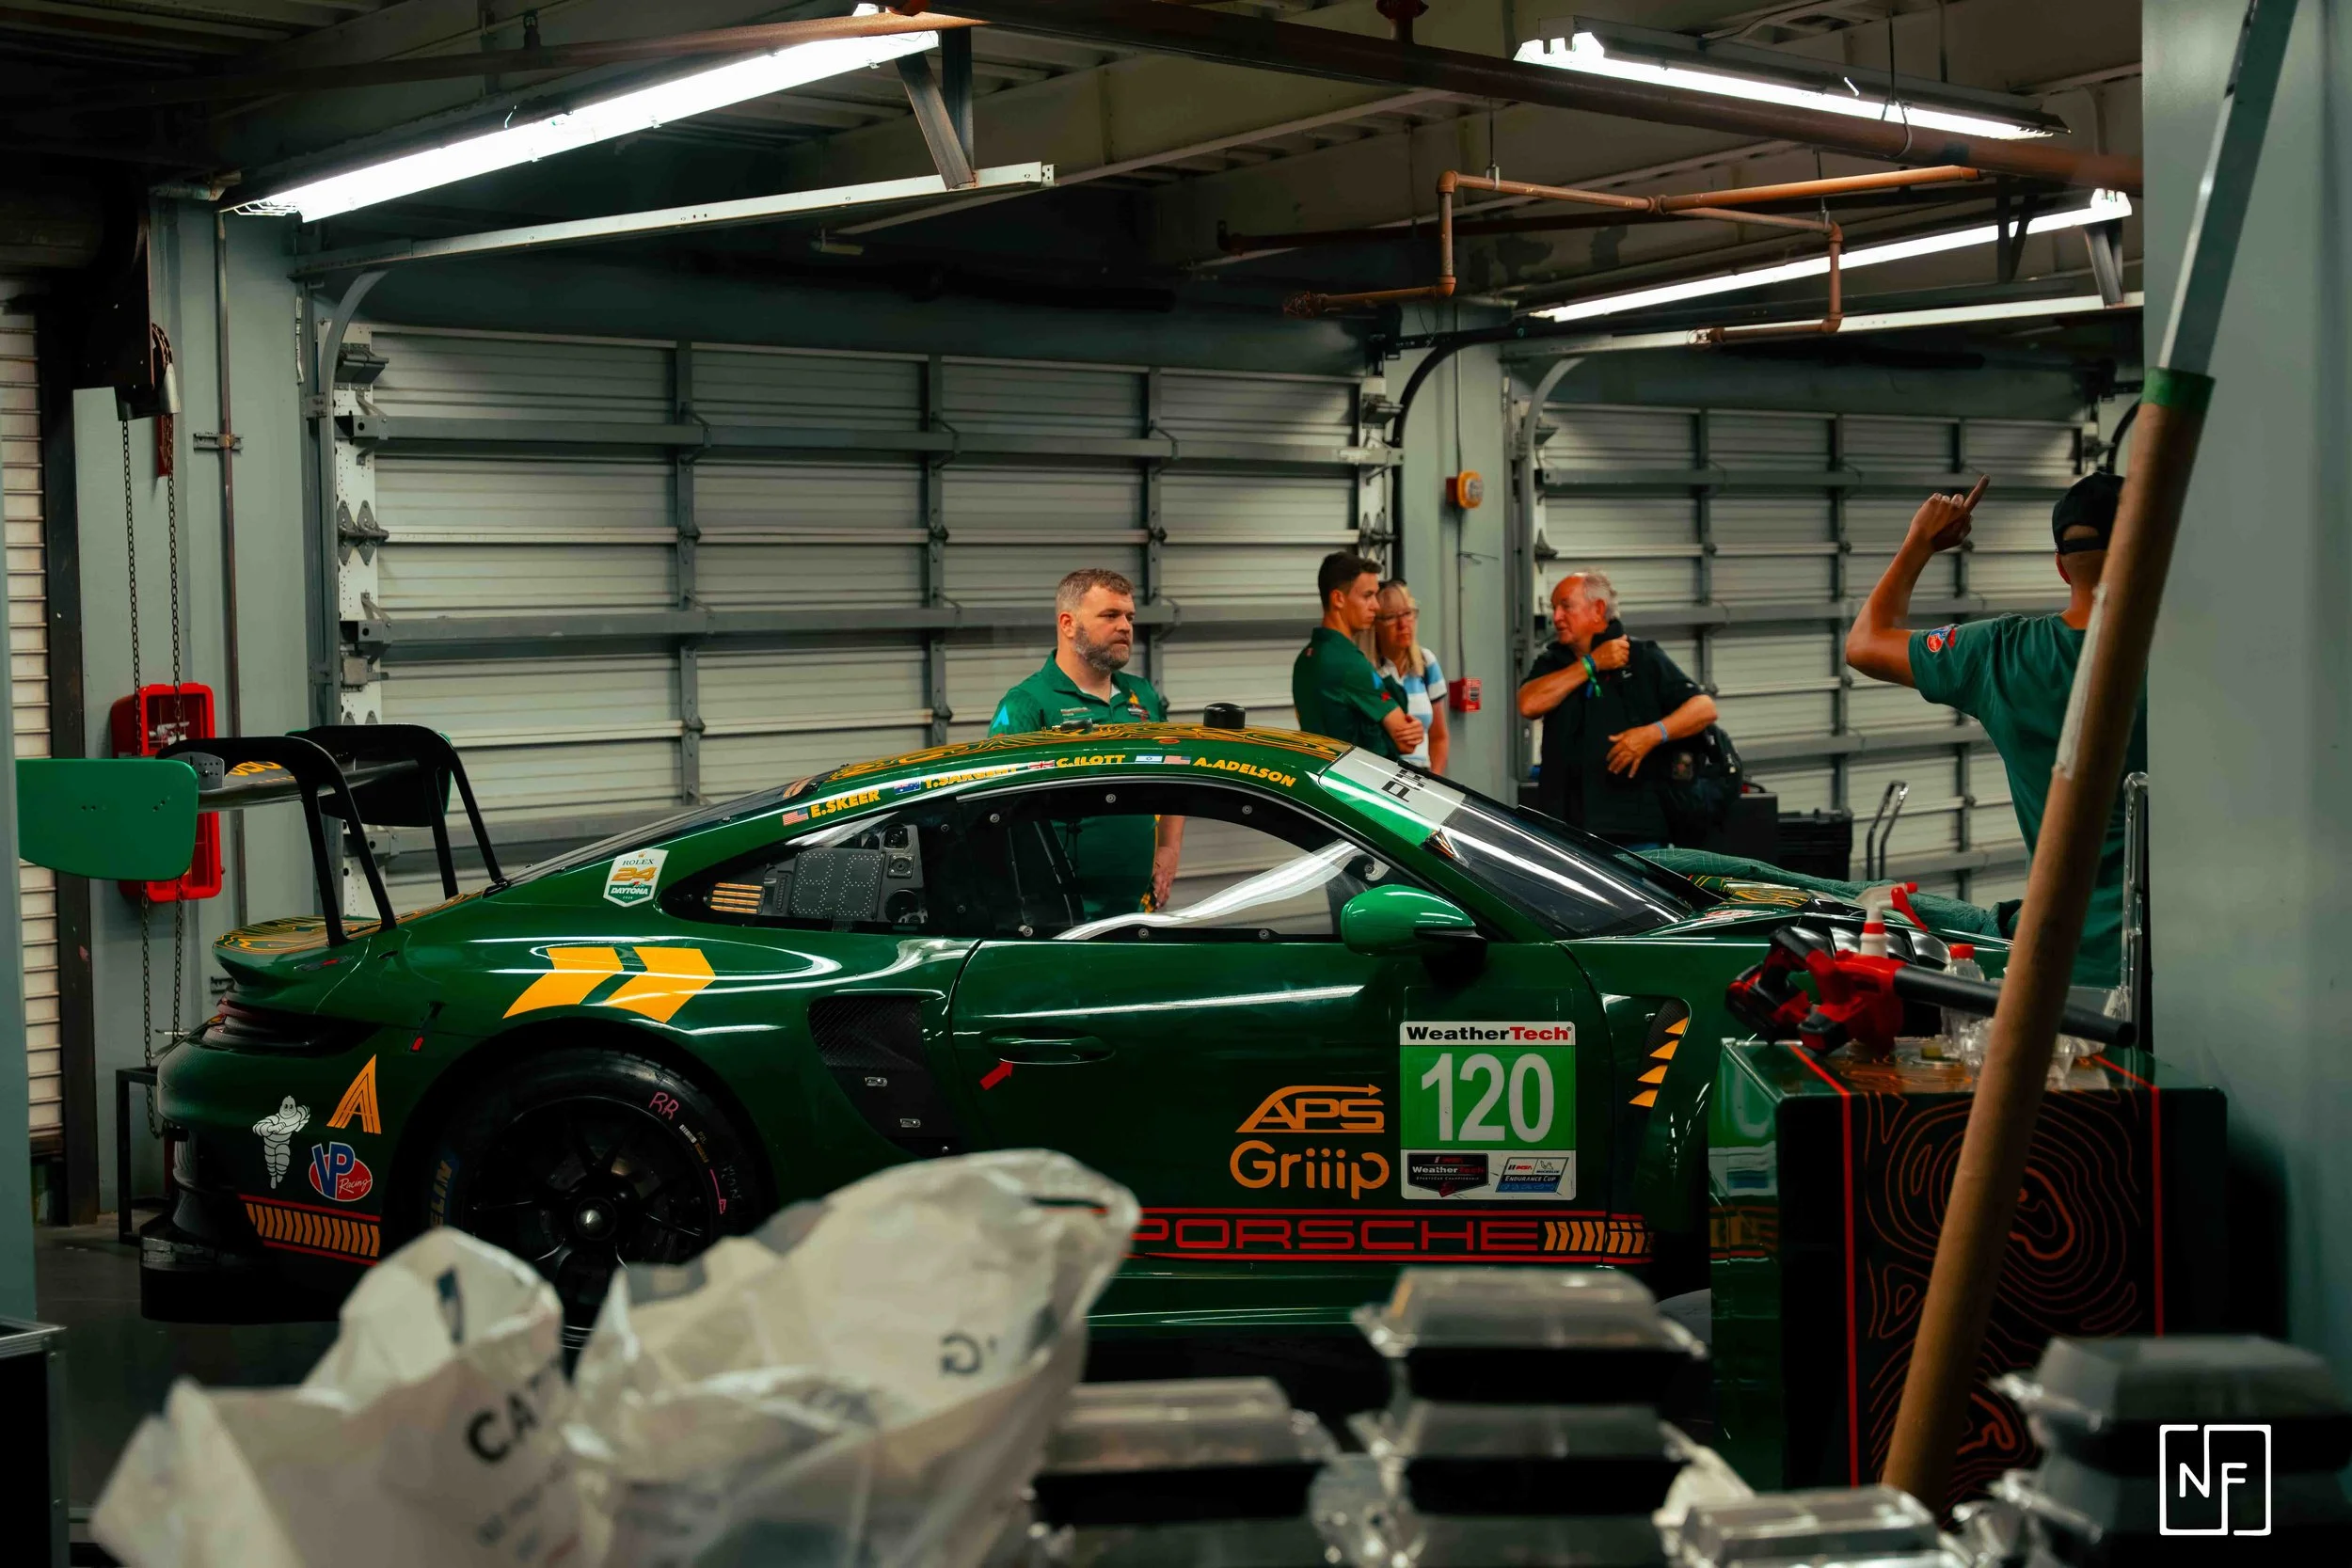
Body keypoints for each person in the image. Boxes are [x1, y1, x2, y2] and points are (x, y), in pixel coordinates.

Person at [1845, 472, 2144, 989]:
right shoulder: (2201, 661)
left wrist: (1920, 542)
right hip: (2196, 965)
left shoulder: (2000, 654)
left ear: (2060, 567)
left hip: (2063, 970)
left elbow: (1864, 643)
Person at [990, 568, 1183, 911]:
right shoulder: (1028, 703)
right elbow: (996, 811)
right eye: (1110, 615)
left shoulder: (1142, 695)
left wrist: (1169, 850)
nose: (1125, 626)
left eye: (1129, 617)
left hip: (1139, 907)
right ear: (1068, 624)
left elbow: (1175, 777)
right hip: (1059, 915)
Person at [1516, 570, 1718, 850]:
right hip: (1564, 832)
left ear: (1598, 609)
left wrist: (1652, 734)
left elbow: (1704, 708)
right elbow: (1529, 704)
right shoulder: (1552, 662)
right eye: (1554, 608)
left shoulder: (1642, 657)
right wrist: (1591, 664)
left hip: (1635, 835)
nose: (1557, 617)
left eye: (1566, 606)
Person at [1293, 552, 1423, 760]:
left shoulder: (1305, 659)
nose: (1376, 606)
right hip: (1359, 775)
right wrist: (1403, 732)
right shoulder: (1349, 663)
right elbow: (1405, 742)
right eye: (1367, 596)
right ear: (1338, 599)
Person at [1374, 579, 1451, 774]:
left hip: (1422, 776)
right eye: (1391, 617)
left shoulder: (1425, 662)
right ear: (1375, 623)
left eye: (1407, 613)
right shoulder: (1367, 669)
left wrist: (1434, 780)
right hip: (1380, 774)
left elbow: (1439, 737)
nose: (1403, 624)